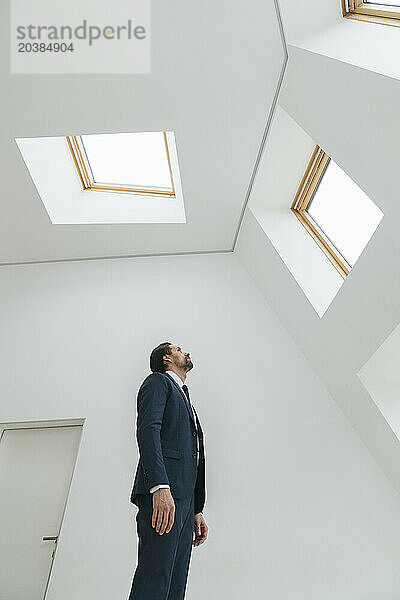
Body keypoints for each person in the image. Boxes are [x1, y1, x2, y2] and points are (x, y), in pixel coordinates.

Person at [128, 342, 208, 600]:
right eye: (178, 349)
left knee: (176, 583)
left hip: (185, 502)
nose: (186, 352)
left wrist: (197, 508)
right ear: (166, 358)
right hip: (164, 494)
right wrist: (159, 486)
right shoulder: (158, 382)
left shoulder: (186, 398)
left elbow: (193, 453)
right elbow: (148, 431)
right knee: (155, 576)